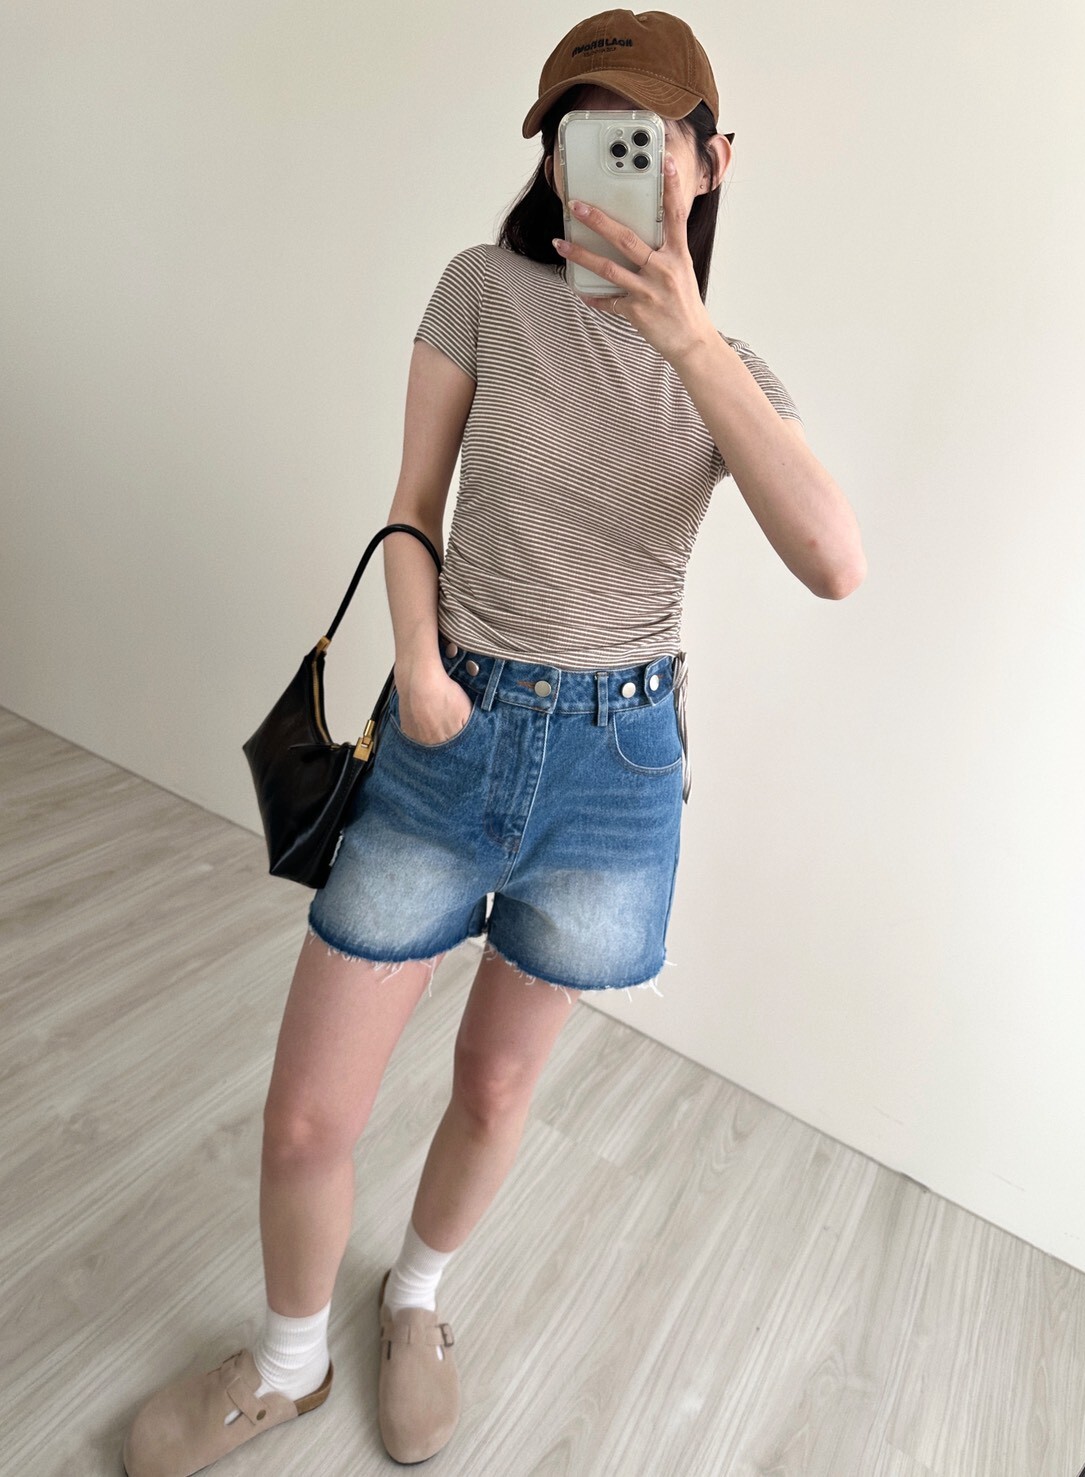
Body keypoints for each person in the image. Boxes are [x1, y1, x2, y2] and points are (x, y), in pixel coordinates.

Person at [122, 8, 866, 1474]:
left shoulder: (732, 373)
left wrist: (688, 338)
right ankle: (286, 1363)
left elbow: (836, 560)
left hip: (614, 774)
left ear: (712, 160)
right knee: (305, 1116)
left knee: (498, 1087)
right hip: (445, 733)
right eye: (583, 137)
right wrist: (414, 659)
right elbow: (412, 509)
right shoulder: (482, 288)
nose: (610, 164)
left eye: (644, 139)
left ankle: (414, 1302)